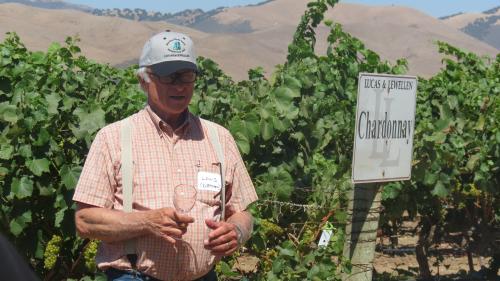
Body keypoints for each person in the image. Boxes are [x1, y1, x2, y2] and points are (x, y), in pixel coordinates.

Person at [73, 30, 258, 281]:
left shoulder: (219, 138)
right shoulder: (113, 138)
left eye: (187, 75)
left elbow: (242, 213)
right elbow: (85, 221)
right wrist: (146, 222)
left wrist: (236, 231)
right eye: (169, 76)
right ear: (144, 79)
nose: (180, 85)